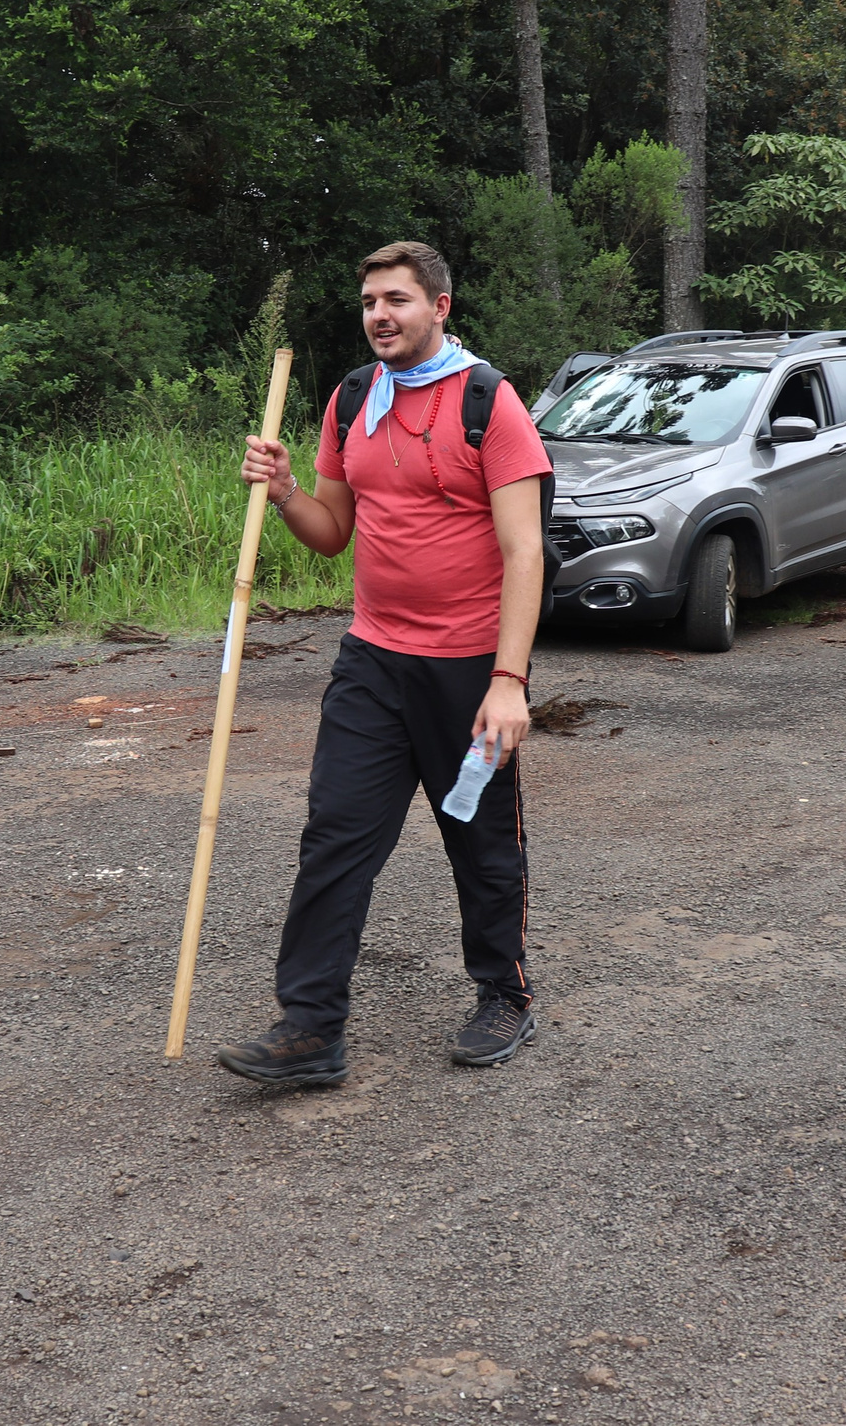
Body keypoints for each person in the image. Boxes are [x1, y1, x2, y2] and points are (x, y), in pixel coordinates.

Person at [219, 240, 553, 1086]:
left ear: (440, 306)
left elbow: (525, 552)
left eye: (397, 299)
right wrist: (290, 490)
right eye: (370, 300)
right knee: (335, 836)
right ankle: (310, 1026)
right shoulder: (353, 397)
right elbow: (333, 535)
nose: (379, 314)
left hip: (470, 671)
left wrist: (509, 682)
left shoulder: (489, 401)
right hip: (372, 659)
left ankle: (503, 994)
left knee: (479, 840)